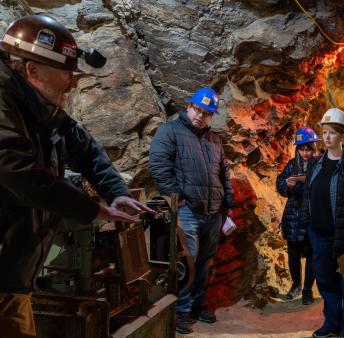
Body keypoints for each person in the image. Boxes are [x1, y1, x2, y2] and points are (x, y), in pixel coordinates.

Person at [0, 15, 152, 338]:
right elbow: (19, 171)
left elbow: (82, 146)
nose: (72, 82)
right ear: (33, 70)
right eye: (66, 74)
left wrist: (115, 191)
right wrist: (91, 210)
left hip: (13, 274)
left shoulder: (36, 106)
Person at [148, 87, 233, 335]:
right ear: (189, 107)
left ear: (211, 116)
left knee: (204, 263)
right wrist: (178, 197)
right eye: (198, 109)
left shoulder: (214, 139)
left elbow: (223, 173)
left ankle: (198, 305)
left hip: (213, 212)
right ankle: (181, 311)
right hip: (187, 210)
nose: (200, 115)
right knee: (187, 262)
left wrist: (228, 201)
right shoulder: (170, 131)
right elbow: (158, 165)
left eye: (207, 113)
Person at [299, 108, 344, 338]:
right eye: (324, 132)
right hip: (318, 235)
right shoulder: (315, 165)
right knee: (326, 281)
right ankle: (332, 322)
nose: (327, 137)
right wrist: (306, 227)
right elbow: (307, 198)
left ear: (343, 136)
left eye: (332, 132)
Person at [276, 127, 318, 304]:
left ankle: (308, 289)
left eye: (308, 149)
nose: (305, 153)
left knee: (312, 255)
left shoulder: (319, 164)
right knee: (293, 255)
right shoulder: (292, 165)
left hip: (313, 216)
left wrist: (304, 183)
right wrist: (287, 185)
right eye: (302, 149)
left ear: (313, 148)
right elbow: (280, 184)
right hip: (294, 215)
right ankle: (296, 285)